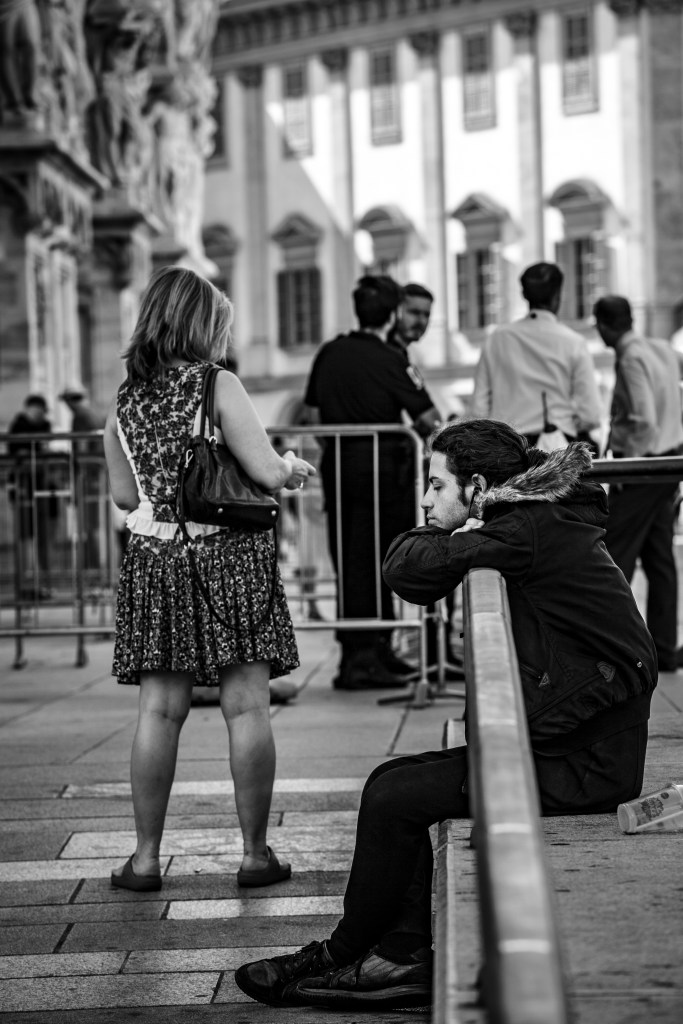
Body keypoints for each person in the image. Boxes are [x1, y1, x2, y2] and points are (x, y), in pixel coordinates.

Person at [235, 418, 656, 1011]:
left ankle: (353, 955)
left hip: (587, 762)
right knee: (391, 780)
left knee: (395, 797)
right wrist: (464, 523)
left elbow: (405, 568)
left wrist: (459, 528)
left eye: (436, 486)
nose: (427, 500)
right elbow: (416, 572)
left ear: (478, 486)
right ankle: (396, 950)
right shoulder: (530, 519)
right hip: (572, 742)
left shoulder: (527, 529)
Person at [103, 266, 316, 893]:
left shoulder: (124, 399)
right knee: (246, 705)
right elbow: (267, 472)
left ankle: (145, 860)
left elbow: (124, 497)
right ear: (202, 323)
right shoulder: (216, 383)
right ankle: (254, 855)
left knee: (158, 711)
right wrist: (290, 466)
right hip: (226, 555)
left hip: (155, 557)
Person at [303, 275, 441, 691]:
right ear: (393, 313)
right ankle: (371, 655)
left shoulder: (329, 353)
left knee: (349, 562)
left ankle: (360, 654)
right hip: (384, 479)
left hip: (340, 473)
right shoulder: (390, 358)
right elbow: (428, 419)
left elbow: (311, 417)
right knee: (382, 562)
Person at [593, 295, 683, 673]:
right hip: (670, 461)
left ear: (603, 326)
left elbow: (644, 420)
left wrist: (627, 464)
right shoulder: (662, 349)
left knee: (615, 552)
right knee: (659, 556)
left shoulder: (631, 358)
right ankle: (664, 647)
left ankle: (611, 644)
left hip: (644, 466)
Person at [470, 262, 602, 450]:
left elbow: (478, 410)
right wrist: (569, 422)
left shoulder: (496, 339)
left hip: (507, 451)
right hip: (556, 449)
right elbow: (591, 415)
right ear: (558, 296)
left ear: (524, 294)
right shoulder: (573, 342)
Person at [8, 394, 56, 599]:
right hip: (24, 490)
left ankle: (43, 582)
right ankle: (26, 584)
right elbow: (17, 457)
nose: (41, 415)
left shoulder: (44, 425)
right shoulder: (18, 426)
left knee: (43, 538)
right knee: (25, 538)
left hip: (40, 488)